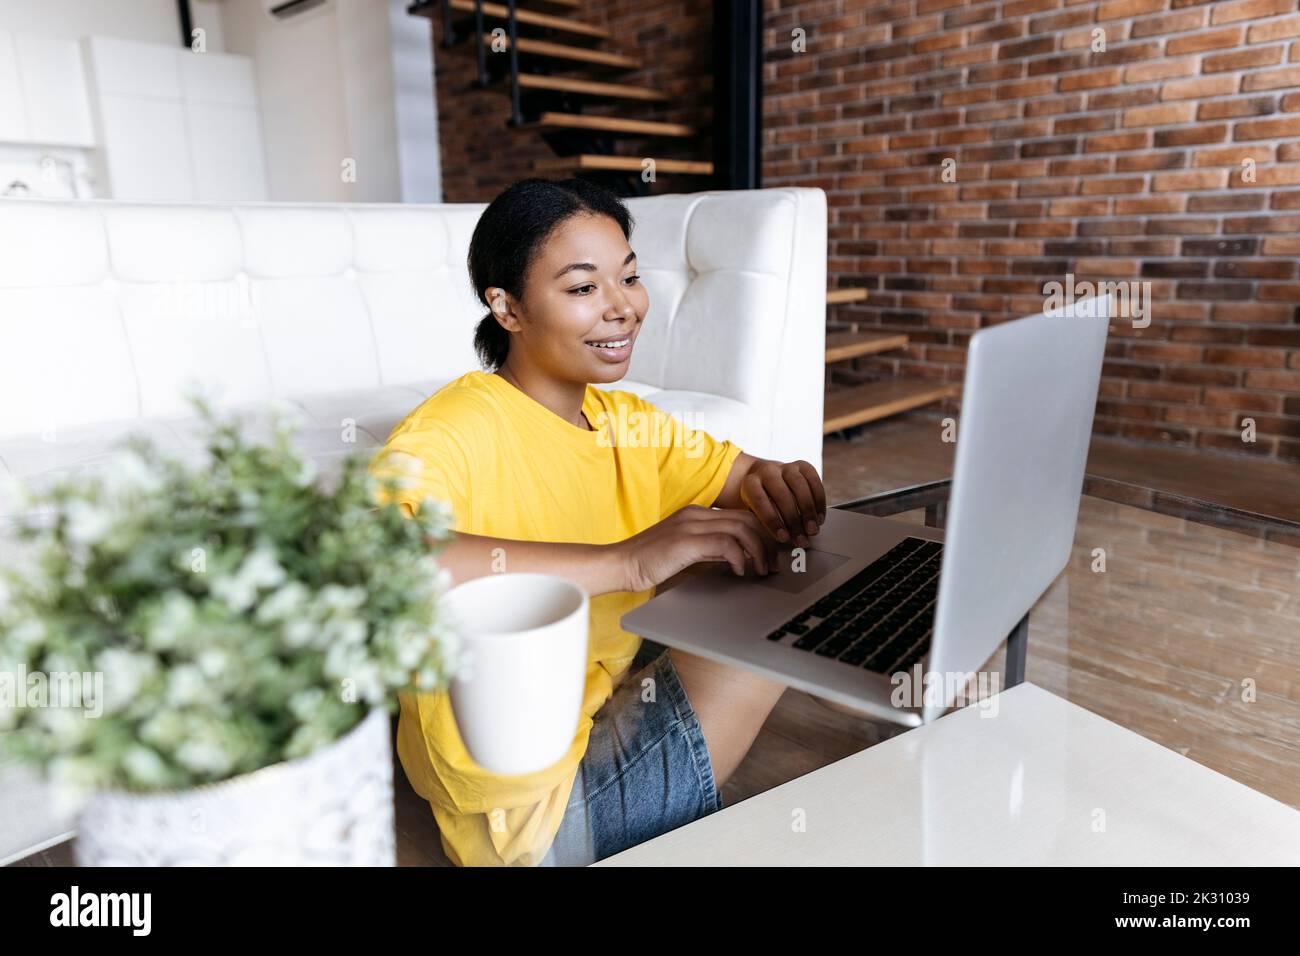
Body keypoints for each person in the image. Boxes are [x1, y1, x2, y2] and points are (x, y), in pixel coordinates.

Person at [370, 178, 827, 866]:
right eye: (583, 288)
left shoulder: (623, 420)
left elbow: (740, 478)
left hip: (598, 708)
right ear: (508, 308)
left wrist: (775, 481)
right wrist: (626, 560)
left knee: (747, 562)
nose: (624, 309)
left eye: (632, 278)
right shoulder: (456, 428)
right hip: (536, 821)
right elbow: (383, 563)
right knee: (779, 630)